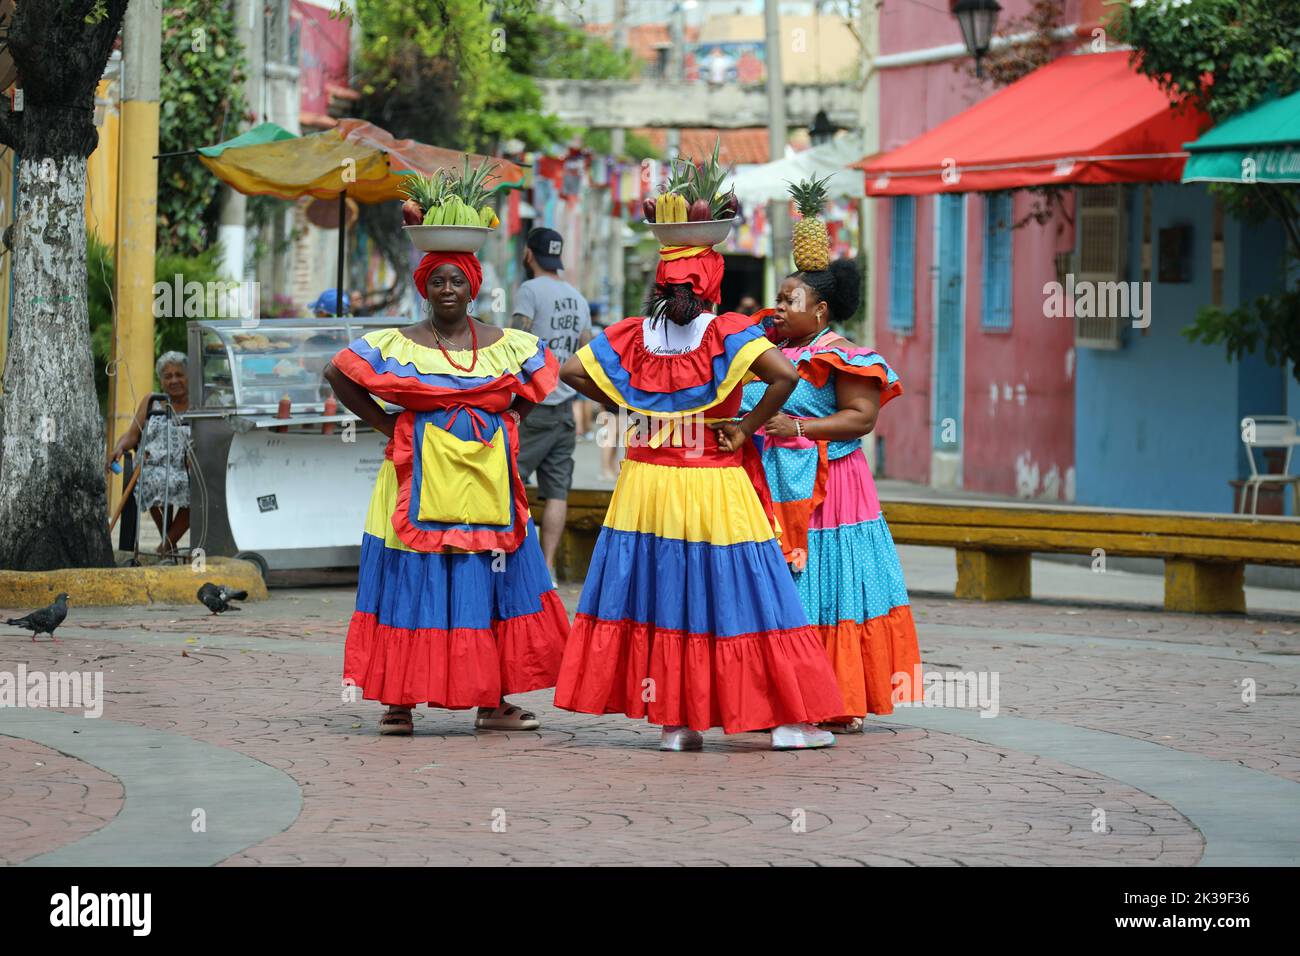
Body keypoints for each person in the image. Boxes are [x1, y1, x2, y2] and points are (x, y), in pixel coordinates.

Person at [553, 245, 844, 751]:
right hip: (711, 474)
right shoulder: (727, 331)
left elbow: (571, 372)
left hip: (646, 481)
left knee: (669, 593)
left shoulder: (632, 334)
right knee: (750, 590)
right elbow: (786, 376)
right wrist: (747, 426)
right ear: (711, 285)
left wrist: (625, 405)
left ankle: (677, 724)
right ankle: (786, 722)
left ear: (660, 285)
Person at [323, 249, 570, 736]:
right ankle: (398, 702)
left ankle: (492, 701)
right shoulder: (400, 342)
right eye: (437, 281)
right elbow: (338, 373)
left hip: (487, 480)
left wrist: (516, 417)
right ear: (424, 289)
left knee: (488, 582)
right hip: (414, 478)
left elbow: (543, 380)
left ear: (473, 286)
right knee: (410, 581)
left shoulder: (504, 343)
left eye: (457, 280)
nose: (448, 289)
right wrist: (384, 423)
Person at [740, 259, 922, 733]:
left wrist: (799, 426)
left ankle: (838, 698)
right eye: (777, 299)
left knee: (830, 584)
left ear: (820, 311)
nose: (777, 308)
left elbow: (861, 417)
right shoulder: (767, 352)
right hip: (775, 483)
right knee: (783, 585)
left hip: (832, 489)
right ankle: (782, 694)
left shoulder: (846, 356)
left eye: (789, 300)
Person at [510, 227, 592, 579]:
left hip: (532, 406)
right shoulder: (578, 297)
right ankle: (546, 571)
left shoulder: (529, 290)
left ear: (529, 254)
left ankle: (513, 563)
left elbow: (516, 343)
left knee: (509, 481)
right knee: (556, 491)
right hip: (565, 408)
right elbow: (587, 351)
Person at [106, 351, 193, 554]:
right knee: (149, 479)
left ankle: (166, 545)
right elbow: (132, 435)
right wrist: (119, 447)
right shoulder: (151, 401)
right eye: (168, 376)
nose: (174, 380)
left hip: (187, 469)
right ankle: (168, 544)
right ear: (161, 381)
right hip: (152, 467)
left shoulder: (200, 403)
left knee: (200, 490)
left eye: (179, 374)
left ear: (189, 377)